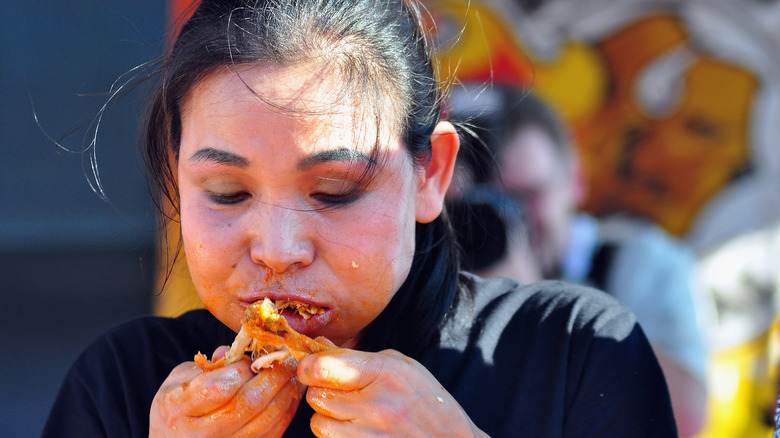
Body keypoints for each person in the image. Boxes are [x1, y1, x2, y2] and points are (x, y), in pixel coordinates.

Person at [43, 1, 677, 436]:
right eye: (226, 192)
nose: (277, 248)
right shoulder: (125, 389)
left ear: (431, 174)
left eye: (336, 190)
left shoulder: (573, 355)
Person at [482, 88, 706, 436]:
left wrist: (531, 302)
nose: (507, 218)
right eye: (486, 201)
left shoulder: (638, 263)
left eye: (527, 196)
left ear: (575, 180)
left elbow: (685, 420)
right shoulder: (439, 264)